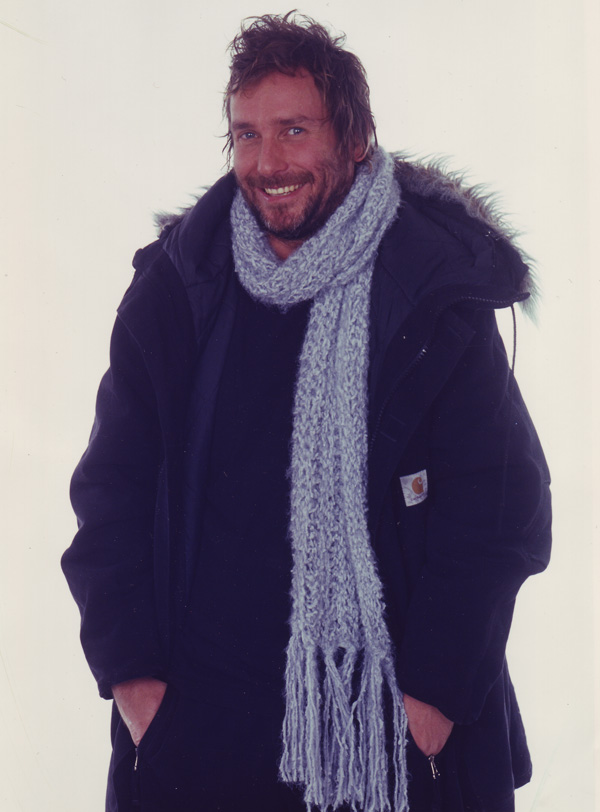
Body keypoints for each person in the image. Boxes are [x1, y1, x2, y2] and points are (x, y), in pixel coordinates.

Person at [62, 11, 552, 812]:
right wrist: (134, 683)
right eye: (247, 135)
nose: (268, 162)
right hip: (199, 737)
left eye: (294, 130)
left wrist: (430, 703)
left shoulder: (427, 290)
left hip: (380, 739)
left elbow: (500, 507)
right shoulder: (179, 290)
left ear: (354, 140)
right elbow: (110, 491)